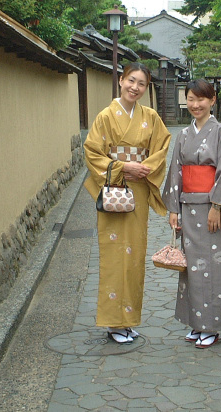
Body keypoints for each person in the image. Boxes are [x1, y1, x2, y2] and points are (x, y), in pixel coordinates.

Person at [83, 62, 171, 344]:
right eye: (131, 80)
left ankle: (128, 320)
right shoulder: (105, 116)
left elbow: (162, 146)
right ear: (121, 80)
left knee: (134, 255)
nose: (135, 87)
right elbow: (93, 152)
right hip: (114, 190)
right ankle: (113, 323)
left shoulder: (151, 117)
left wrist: (143, 168)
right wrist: (123, 167)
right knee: (114, 254)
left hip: (139, 192)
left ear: (146, 88)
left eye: (141, 83)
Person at [162, 79, 221, 349]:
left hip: (213, 211)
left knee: (213, 267)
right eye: (190, 99)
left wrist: (217, 207)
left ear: (213, 100)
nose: (195, 105)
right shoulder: (184, 136)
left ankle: (211, 326)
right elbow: (176, 172)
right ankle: (196, 323)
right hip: (188, 208)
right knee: (191, 268)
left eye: (201, 99)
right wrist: (174, 208)